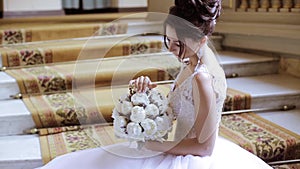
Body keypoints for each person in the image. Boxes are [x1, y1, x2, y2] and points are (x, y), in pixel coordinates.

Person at [37, 0, 272, 168]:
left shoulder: (202, 78)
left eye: (178, 43)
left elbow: (204, 148)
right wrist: (148, 96)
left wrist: (154, 147)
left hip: (188, 158)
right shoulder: (191, 61)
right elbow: (180, 107)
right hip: (175, 147)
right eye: (168, 40)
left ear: (202, 40)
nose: (171, 48)